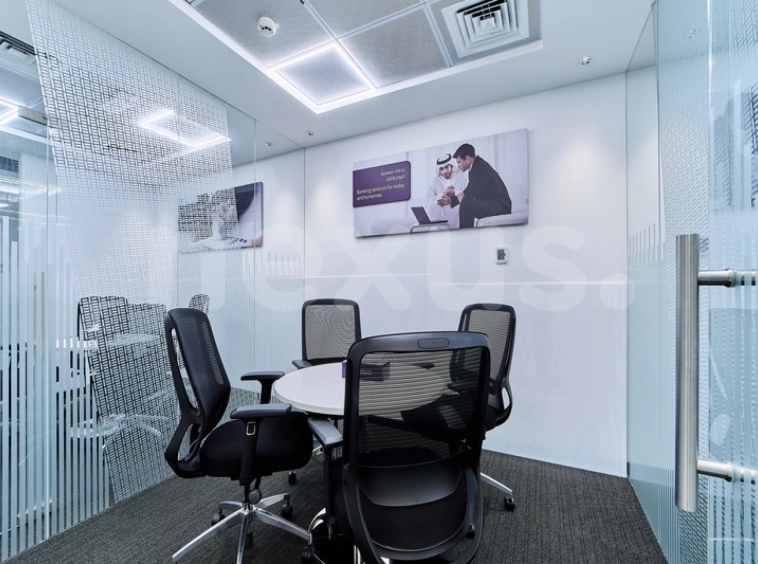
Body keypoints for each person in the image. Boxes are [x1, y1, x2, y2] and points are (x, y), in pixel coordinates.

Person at [438, 143, 512, 228]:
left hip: (500, 207)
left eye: (459, 162)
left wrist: (458, 196)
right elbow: (470, 189)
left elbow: (473, 193)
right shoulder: (476, 166)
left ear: (467, 158)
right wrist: (452, 200)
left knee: (466, 206)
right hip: (495, 204)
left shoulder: (480, 167)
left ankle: (465, 234)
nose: (458, 166)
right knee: (466, 204)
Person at [425, 153, 468, 229]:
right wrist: (443, 194)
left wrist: (454, 192)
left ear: (451, 165)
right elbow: (428, 202)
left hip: (458, 221)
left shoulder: (461, 175)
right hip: (439, 223)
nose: (444, 171)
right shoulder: (435, 181)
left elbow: (468, 195)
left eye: (446, 167)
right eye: (441, 169)